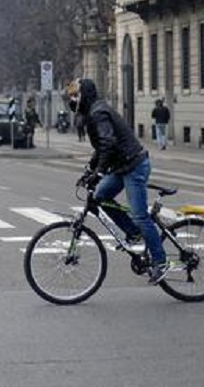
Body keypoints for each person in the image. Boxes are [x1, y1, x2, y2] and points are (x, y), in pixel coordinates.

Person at [67, 78, 169, 284]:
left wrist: (99, 172)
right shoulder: (93, 112)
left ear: (85, 95)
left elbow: (108, 143)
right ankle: (133, 232)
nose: (73, 100)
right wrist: (91, 169)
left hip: (134, 166)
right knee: (100, 197)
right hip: (122, 167)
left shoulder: (98, 113)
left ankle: (161, 262)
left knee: (140, 215)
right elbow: (101, 148)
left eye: (76, 95)